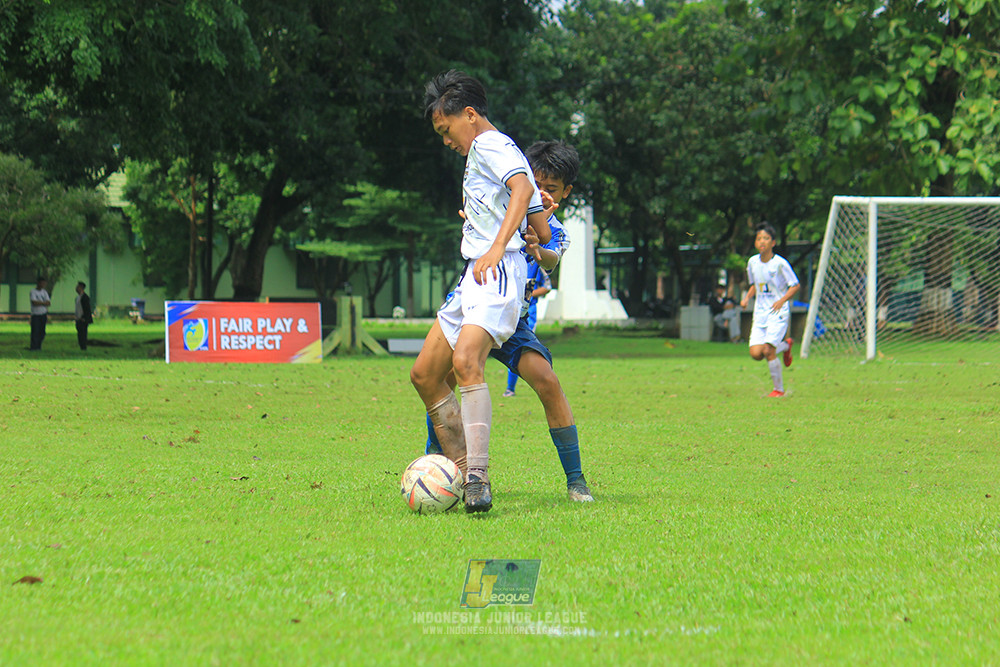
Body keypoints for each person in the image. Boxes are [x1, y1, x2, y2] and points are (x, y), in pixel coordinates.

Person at [410, 70, 553, 514]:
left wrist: (497, 243)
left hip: (496, 272)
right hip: (476, 273)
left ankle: (477, 479)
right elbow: (541, 229)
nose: (446, 140)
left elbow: (523, 187)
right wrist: (487, 220)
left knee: (465, 360)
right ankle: (458, 469)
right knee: (425, 375)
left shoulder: (492, 144)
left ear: (468, 115)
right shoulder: (487, 154)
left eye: (446, 129)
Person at [424, 140, 594, 502]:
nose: (542, 193)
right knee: (443, 379)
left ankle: (576, 480)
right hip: (477, 308)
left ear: (566, 192)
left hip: (514, 322)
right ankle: (436, 466)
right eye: (537, 184)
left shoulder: (556, 229)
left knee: (548, 382)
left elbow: (550, 260)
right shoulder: (505, 211)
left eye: (552, 188)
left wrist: (537, 246)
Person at [740, 223, 800, 397]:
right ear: (755, 242)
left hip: (777, 312)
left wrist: (781, 301)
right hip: (760, 313)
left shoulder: (780, 264)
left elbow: (795, 285)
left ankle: (778, 390)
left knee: (768, 351)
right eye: (759, 238)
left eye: (766, 238)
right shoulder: (752, 262)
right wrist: (746, 298)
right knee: (756, 353)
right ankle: (786, 345)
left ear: (773, 242)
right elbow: (756, 286)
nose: (762, 242)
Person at [502, 254, 551, 397]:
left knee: (520, 347)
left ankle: (510, 388)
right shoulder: (508, 259)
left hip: (528, 311)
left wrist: (526, 294)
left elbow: (547, 287)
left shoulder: (535, 263)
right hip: (506, 308)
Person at [29, 277, 51, 350]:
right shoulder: (33, 292)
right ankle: (34, 347)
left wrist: (41, 303)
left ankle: (39, 345)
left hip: (43, 314)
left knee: (42, 332)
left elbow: (48, 303)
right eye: (42, 283)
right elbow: (34, 302)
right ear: (38, 283)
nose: (43, 285)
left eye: (44, 283)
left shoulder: (44, 292)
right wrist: (43, 303)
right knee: (35, 331)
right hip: (36, 314)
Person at [74, 281, 93, 350]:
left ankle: (83, 347)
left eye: (78, 287)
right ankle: (81, 346)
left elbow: (87, 309)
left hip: (83, 319)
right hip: (78, 318)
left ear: (81, 288)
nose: (76, 288)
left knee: (83, 333)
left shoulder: (85, 298)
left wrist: (85, 318)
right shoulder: (77, 298)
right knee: (79, 333)